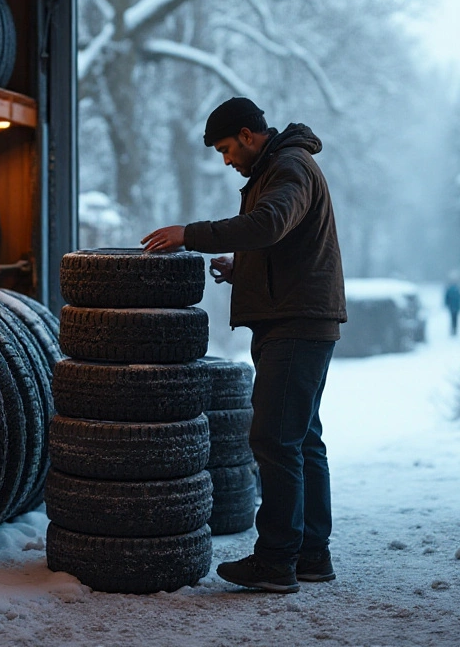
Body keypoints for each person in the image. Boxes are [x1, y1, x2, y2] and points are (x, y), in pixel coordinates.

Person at [142, 97, 346, 594]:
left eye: (228, 148)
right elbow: (278, 242)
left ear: (249, 135)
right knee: (301, 439)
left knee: (274, 440)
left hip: (295, 325)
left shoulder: (289, 166)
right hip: (299, 319)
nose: (227, 160)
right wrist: (243, 268)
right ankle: (310, 554)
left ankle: (276, 560)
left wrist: (189, 234)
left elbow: (269, 224)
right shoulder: (278, 167)